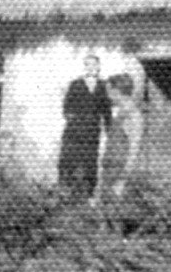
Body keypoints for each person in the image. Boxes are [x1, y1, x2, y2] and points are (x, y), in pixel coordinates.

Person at [58, 54, 111, 201]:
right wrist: (76, 120)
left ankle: (89, 195)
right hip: (74, 132)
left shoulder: (103, 86)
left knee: (90, 161)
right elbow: (66, 108)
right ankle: (65, 194)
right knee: (68, 160)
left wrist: (109, 129)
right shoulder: (76, 84)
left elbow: (107, 110)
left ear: (99, 66)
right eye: (87, 64)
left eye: (93, 64)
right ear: (84, 67)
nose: (90, 67)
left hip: (92, 132)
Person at [101, 70, 144, 200]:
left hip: (120, 172)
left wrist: (122, 180)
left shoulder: (133, 116)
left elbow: (134, 149)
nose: (107, 95)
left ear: (117, 92)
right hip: (109, 168)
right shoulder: (119, 113)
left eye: (108, 91)